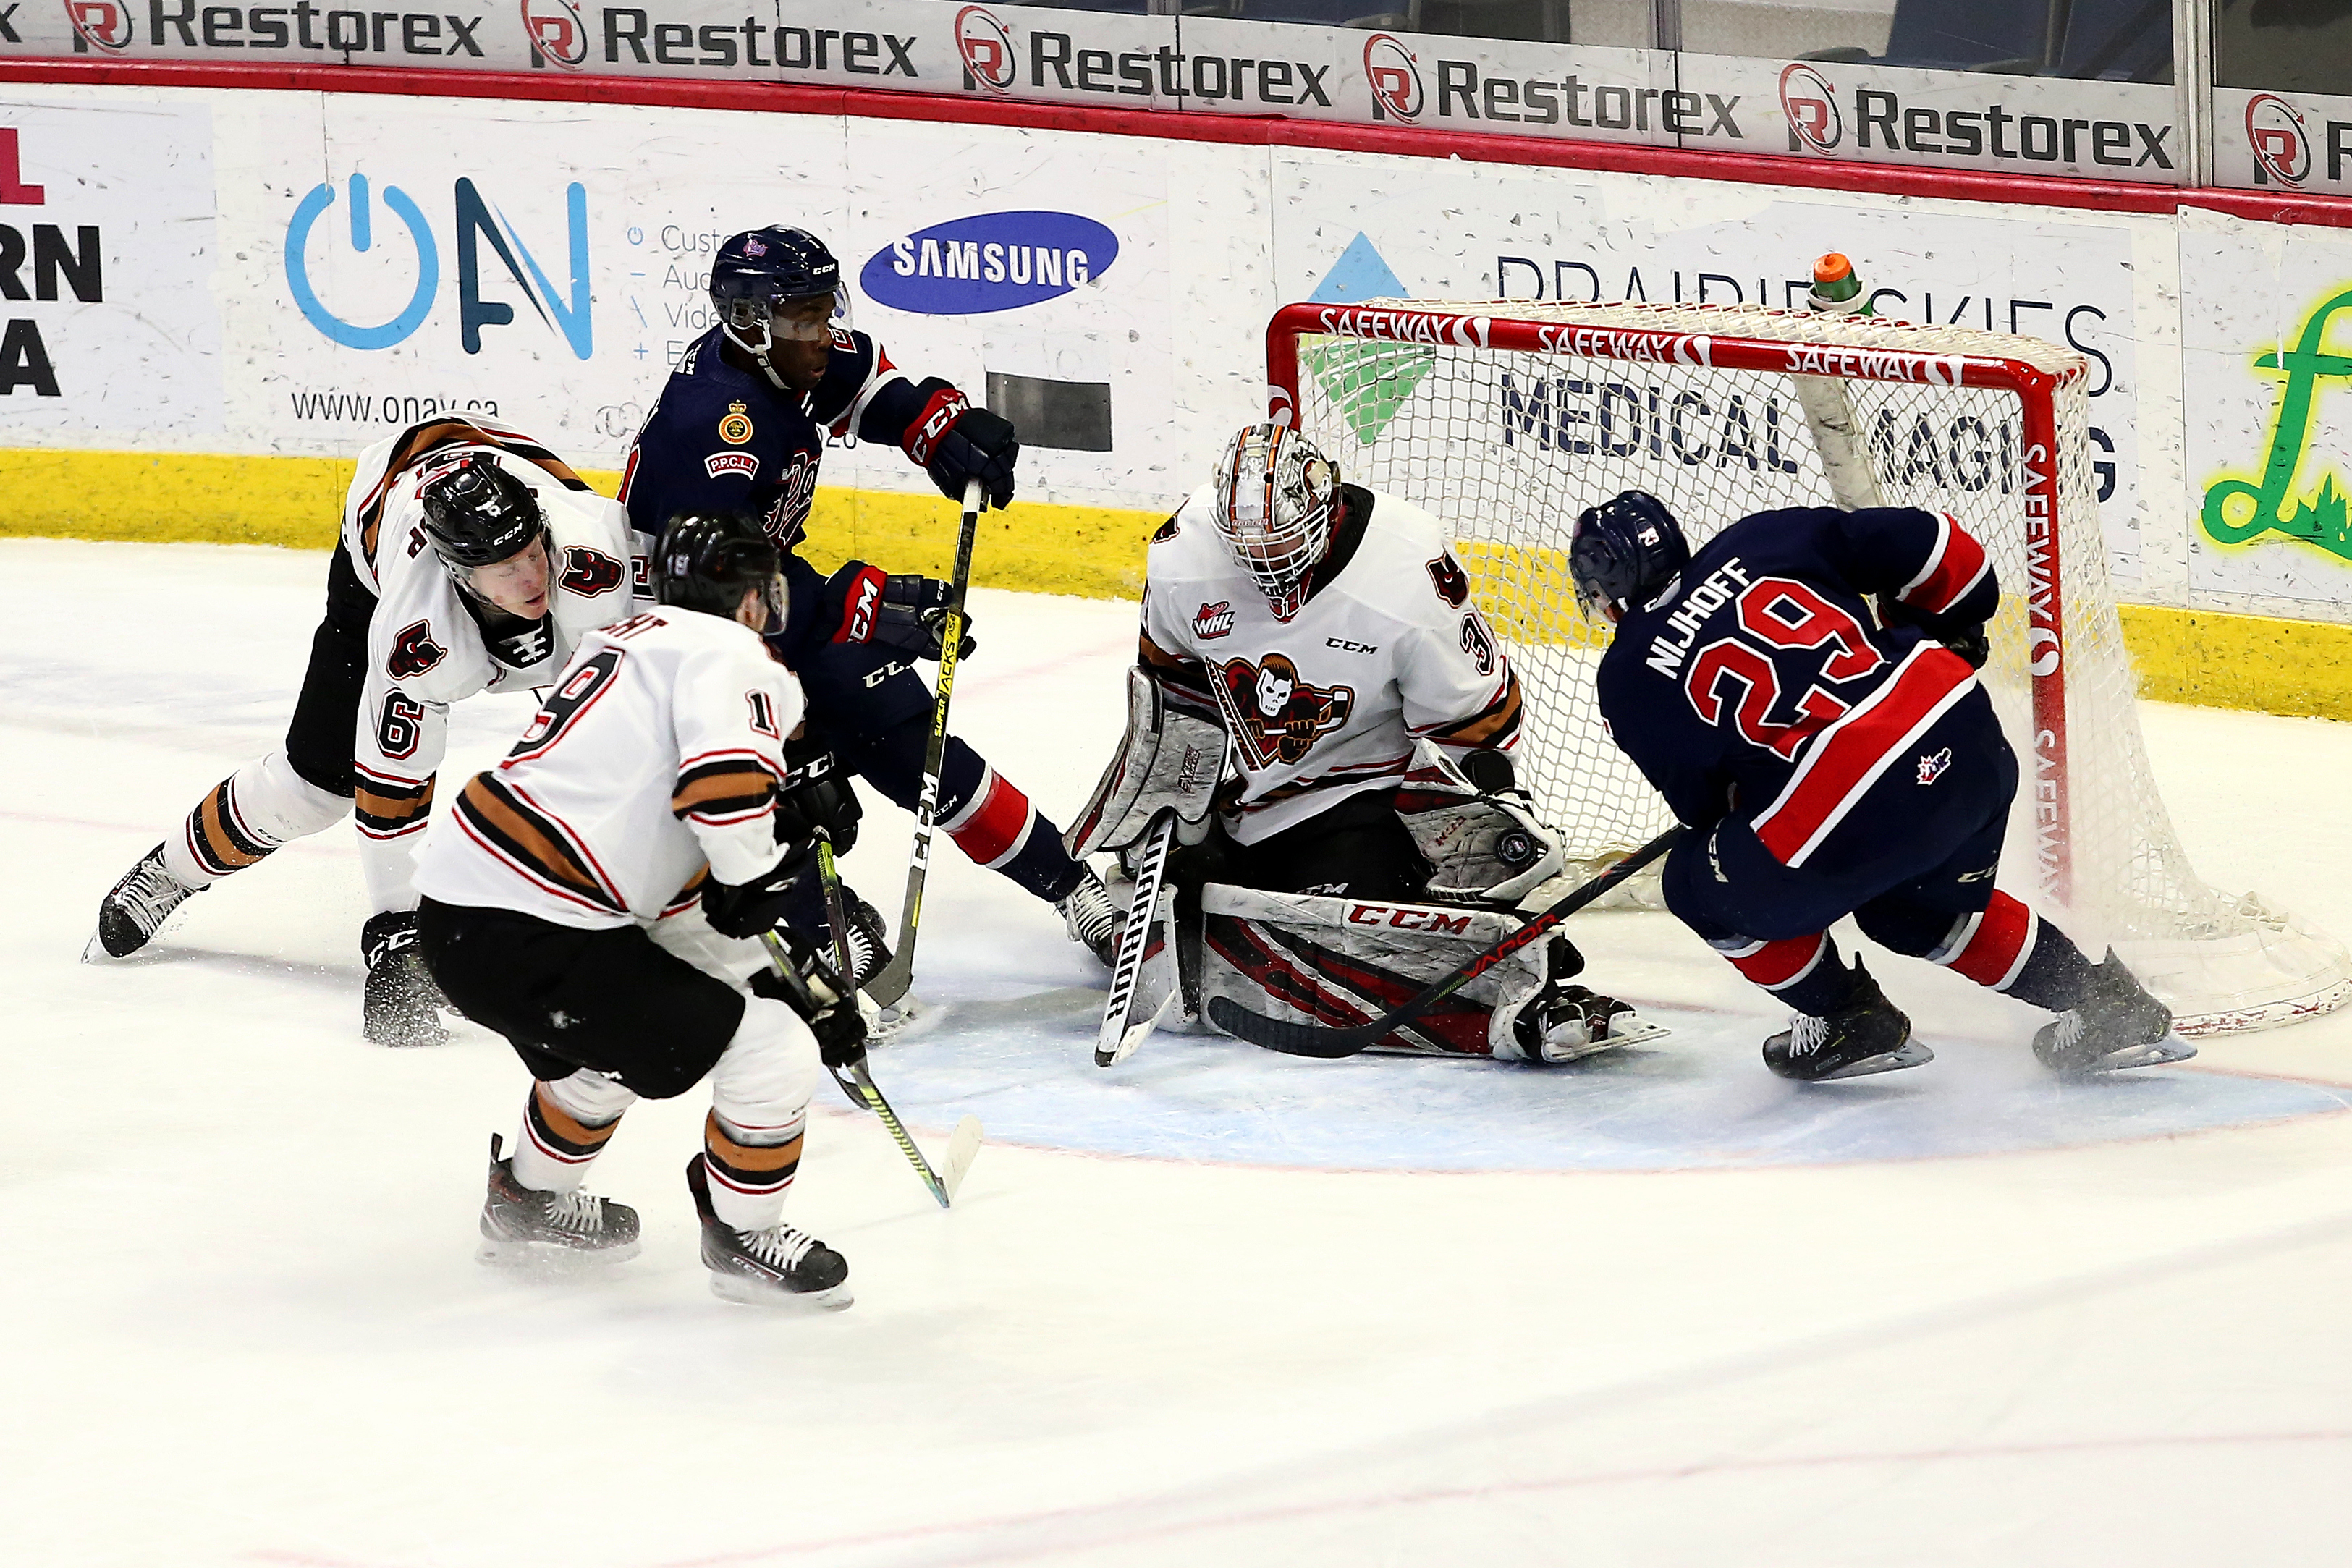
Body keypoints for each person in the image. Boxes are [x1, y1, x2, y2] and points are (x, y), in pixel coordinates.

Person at [1066, 422, 1662, 1065]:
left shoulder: (1404, 568)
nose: (1268, 568)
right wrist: (1179, 812)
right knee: (1184, 905)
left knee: (1346, 929)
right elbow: (1173, 696)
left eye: (1282, 544)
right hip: (1249, 803)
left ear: (1326, 503)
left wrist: (1470, 836)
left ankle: (1514, 995)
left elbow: (1477, 722)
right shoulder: (1184, 559)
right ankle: (1128, 913)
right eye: (1248, 551)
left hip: (1367, 799)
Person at [618, 224, 1117, 977]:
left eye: (826, 312)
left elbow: (867, 387)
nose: (824, 333)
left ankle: (1070, 885)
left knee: (901, 731)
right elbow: (713, 592)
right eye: (806, 319)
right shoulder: (713, 428)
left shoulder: (784, 356)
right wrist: (856, 605)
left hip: (757, 592)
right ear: (750, 322)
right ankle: (824, 923)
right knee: (766, 781)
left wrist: (937, 428)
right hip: (675, 636)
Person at [1572, 488, 2193, 1080]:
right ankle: (2107, 1003)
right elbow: (1945, 550)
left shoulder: (1627, 676)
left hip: (1855, 799)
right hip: (1964, 736)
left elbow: (1707, 811)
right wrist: (1952, 630)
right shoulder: (1765, 535)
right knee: (1911, 911)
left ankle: (1849, 1018)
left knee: (1693, 883)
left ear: (1605, 590)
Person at [413, 511, 864, 1308]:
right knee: (772, 1052)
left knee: (607, 1049)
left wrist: (787, 977)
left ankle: (527, 1203)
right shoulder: (732, 654)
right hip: (542, 925)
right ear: (751, 597)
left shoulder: (622, 642)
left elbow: (671, 902)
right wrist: (759, 876)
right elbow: (723, 806)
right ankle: (744, 1240)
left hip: (463, 917)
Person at [87, 418, 646, 1048]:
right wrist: (397, 928)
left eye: (533, 554)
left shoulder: (601, 560)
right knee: (314, 789)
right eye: (505, 568)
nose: (531, 578)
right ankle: (171, 872)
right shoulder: (417, 633)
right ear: (461, 573)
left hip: (502, 460)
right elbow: (392, 785)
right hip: (378, 534)